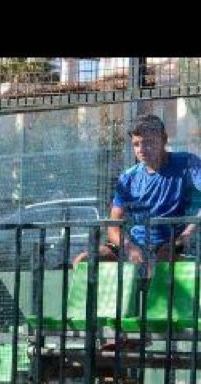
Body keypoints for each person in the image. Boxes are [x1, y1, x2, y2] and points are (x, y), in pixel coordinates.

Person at [73, 115, 201, 272]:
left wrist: (184, 237)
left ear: (164, 139)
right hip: (134, 247)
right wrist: (129, 247)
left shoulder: (187, 163)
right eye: (136, 144)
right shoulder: (128, 178)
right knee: (83, 260)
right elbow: (113, 227)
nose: (141, 149)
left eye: (148, 142)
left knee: (159, 266)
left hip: (173, 245)